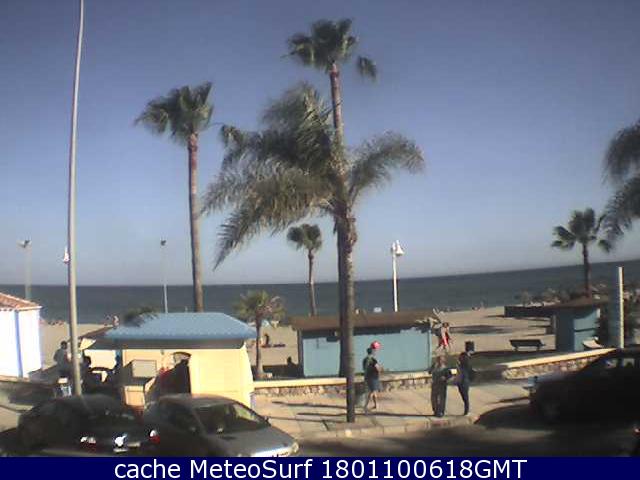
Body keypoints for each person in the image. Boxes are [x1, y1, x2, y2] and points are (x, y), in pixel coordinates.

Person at [362, 345, 382, 412]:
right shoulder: (373, 360)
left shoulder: (365, 359)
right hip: (373, 377)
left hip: (367, 376)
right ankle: (365, 405)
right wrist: (380, 369)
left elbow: (364, 368)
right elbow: (377, 368)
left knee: (373, 391)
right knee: (372, 392)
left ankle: (376, 405)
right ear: (372, 352)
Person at [456, 351, 474, 415]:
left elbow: (468, 372)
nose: (459, 358)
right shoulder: (461, 364)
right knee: (463, 396)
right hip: (460, 382)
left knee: (465, 396)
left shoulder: (466, 365)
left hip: (464, 382)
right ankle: (466, 409)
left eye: (461, 357)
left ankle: (466, 410)